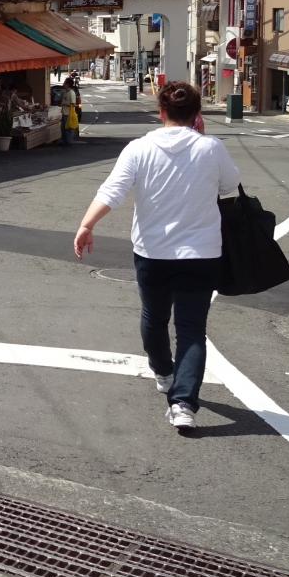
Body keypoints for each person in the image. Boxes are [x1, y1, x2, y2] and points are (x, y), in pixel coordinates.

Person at [73, 82, 239, 431]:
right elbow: (229, 187)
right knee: (192, 330)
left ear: (161, 111)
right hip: (201, 254)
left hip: (153, 252)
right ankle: (183, 404)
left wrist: (86, 225)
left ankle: (163, 372)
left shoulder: (139, 148)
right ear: (197, 114)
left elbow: (112, 190)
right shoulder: (211, 147)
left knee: (154, 316)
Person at [60, 77, 79, 145]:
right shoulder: (65, 92)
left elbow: (74, 104)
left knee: (67, 128)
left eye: (64, 83)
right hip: (64, 112)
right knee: (63, 128)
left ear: (67, 84)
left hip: (68, 113)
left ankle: (69, 142)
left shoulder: (71, 93)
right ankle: (63, 141)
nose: (63, 84)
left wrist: (64, 104)